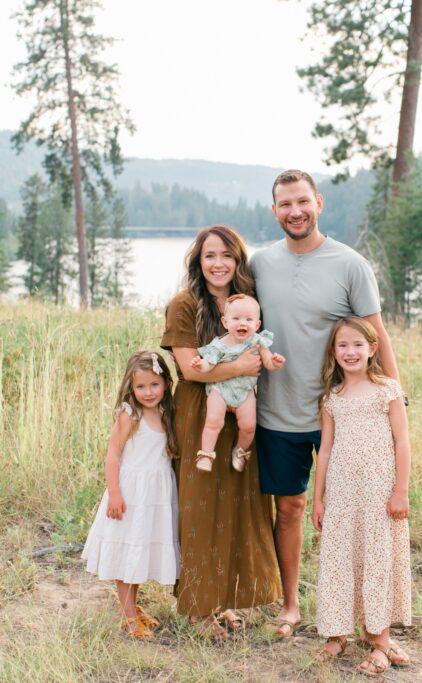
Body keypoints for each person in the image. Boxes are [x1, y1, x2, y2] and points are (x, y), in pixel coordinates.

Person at [251, 169, 400, 638]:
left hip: (344, 412)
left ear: (319, 202)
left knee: (355, 513)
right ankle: (292, 604)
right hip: (278, 411)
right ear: (274, 210)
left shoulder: (350, 264)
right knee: (291, 509)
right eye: (285, 204)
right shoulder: (259, 265)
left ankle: (364, 616)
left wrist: (394, 398)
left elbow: (376, 334)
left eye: (302, 202)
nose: (294, 212)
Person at [161, 225, 281, 640]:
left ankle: (225, 598)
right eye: (210, 255)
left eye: (227, 256)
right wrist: (242, 368)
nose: (218, 264)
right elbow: (189, 366)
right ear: (198, 261)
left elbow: (263, 351)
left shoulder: (246, 304)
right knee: (201, 504)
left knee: (236, 501)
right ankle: (198, 608)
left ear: (237, 261)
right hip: (200, 416)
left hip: (243, 417)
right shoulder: (184, 304)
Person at [311, 317, 412, 674]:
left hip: (379, 492)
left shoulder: (387, 390)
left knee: (376, 559)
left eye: (357, 345)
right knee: (339, 560)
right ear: (333, 352)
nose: (350, 352)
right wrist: (317, 498)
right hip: (341, 493)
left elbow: (402, 441)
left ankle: (379, 640)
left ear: (372, 349)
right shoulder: (332, 398)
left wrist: (401, 491)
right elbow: (324, 450)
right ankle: (337, 634)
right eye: (342, 345)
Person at [82, 351, 179, 640]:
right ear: (131, 387)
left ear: (165, 383)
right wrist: (114, 493)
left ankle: (134, 609)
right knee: (127, 550)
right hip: (131, 493)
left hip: (156, 494)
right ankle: (127, 615)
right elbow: (113, 454)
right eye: (141, 387)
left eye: (154, 385)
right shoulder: (129, 413)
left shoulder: (166, 412)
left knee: (139, 550)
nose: (148, 392)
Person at [190, 293, 286, 473]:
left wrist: (275, 363)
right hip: (220, 389)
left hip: (245, 390)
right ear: (225, 322)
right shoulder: (219, 345)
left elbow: (267, 362)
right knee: (213, 421)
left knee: (249, 426)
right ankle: (206, 454)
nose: (243, 323)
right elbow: (208, 365)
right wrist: (199, 365)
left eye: (249, 319)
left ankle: (240, 450)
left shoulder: (258, 341)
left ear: (257, 325)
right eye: (236, 318)